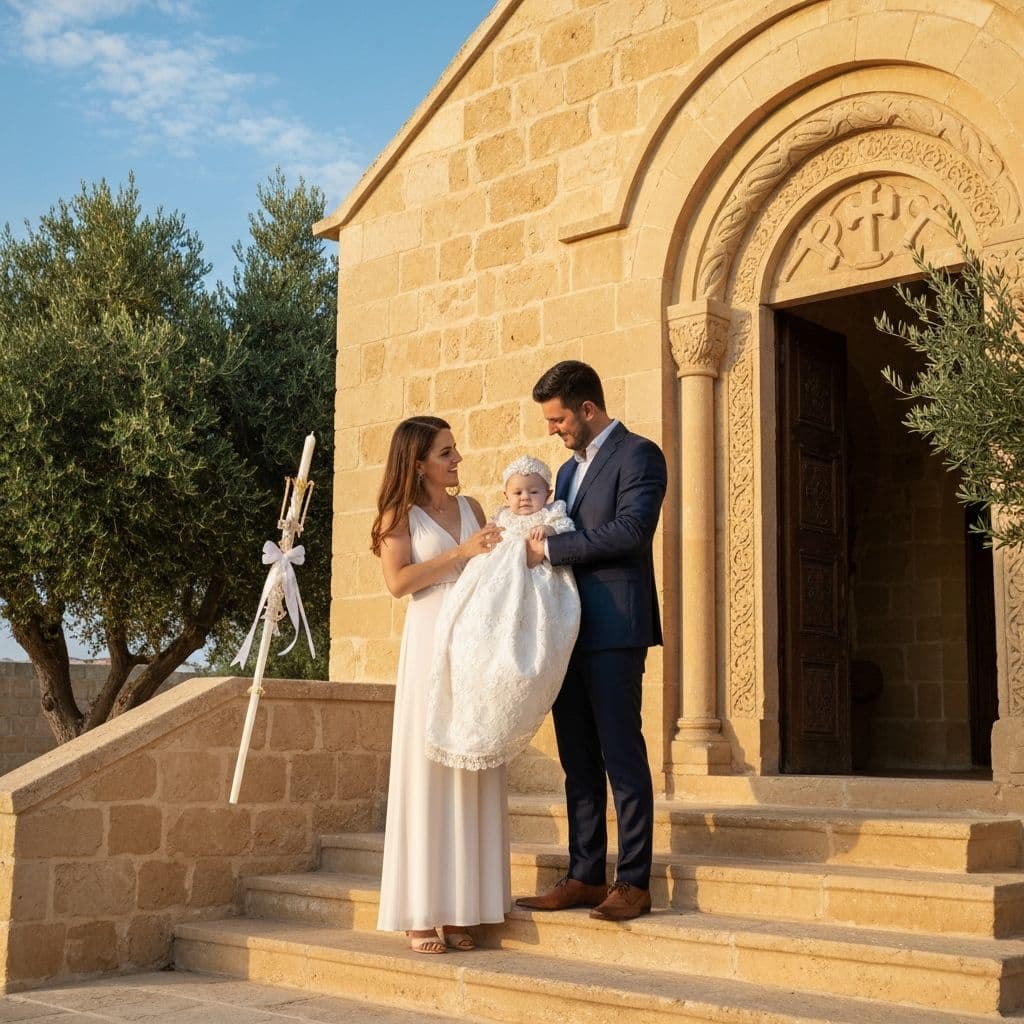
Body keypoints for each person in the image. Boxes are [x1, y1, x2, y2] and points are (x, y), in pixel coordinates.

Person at [516, 360, 667, 922]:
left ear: (587, 408)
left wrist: (550, 551)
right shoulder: (564, 473)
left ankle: (633, 882)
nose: (552, 429)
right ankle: (584, 875)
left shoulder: (640, 455)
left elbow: (632, 531)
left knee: (621, 756)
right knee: (578, 760)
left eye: (557, 419)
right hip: (567, 632)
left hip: (616, 629)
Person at [370, 416, 510, 954]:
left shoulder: (472, 506)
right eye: (446, 452)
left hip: (474, 642)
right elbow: (398, 582)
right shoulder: (399, 515)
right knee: (428, 770)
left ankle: (461, 908)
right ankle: (420, 911)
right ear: (418, 462)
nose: (457, 459)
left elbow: (496, 568)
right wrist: (460, 553)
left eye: (454, 449)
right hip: (429, 641)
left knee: (471, 764)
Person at [426, 455, 580, 771]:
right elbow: (489, 547)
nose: (525, 498)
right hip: (498, 590)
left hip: (537, 589)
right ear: (505, 496)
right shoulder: (501, 518)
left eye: (533, 492)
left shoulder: (552, 515)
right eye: (518, 492)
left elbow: (566, 532)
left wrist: (548, 531)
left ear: (548, 494)